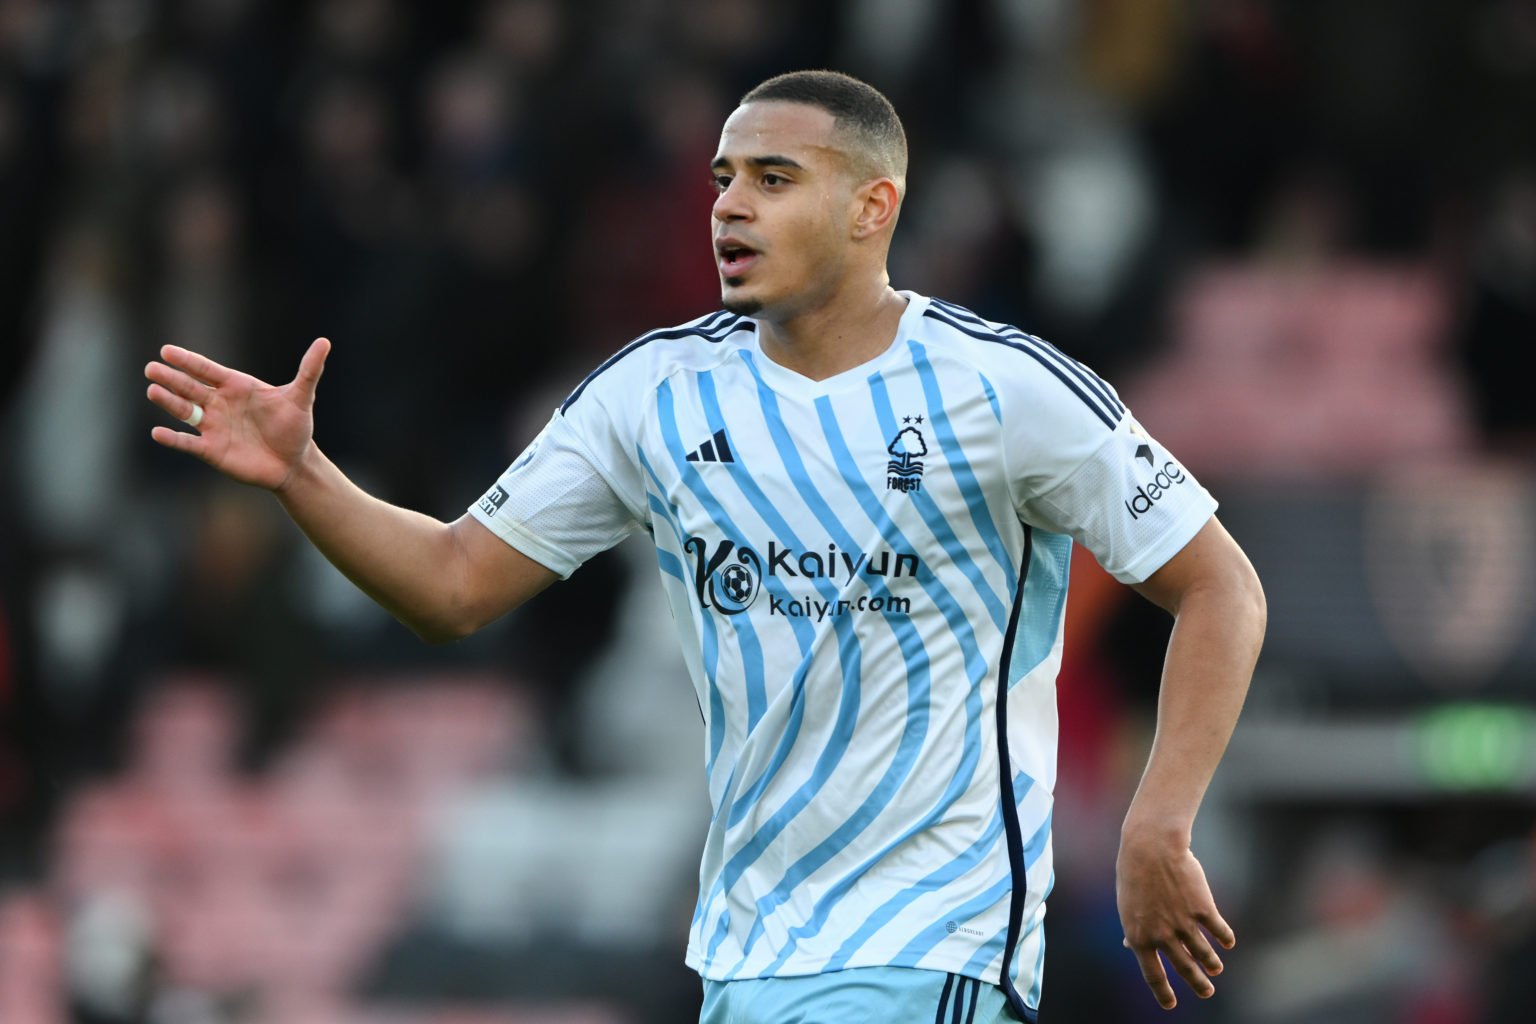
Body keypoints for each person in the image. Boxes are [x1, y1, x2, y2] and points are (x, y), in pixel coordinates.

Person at [144, 70, 1265, 1023]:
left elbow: (1219, 583)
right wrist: (304, 474)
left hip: (937, 942)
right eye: (724, 179)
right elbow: (450, 585)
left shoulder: (1004, 389)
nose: (730, 206)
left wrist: (1159, 820)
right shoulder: (654, 395)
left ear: (874, 206)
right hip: (743, 957)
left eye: (775, 180)